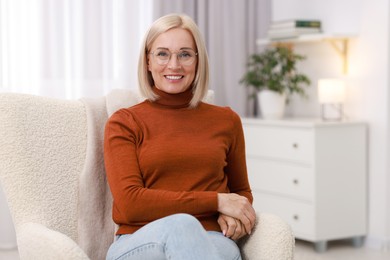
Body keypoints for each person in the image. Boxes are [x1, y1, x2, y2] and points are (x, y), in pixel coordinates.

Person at [104, 13, 256, 260]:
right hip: (140, 241)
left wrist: (233, 213)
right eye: (162, 54)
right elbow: (131, 203)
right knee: (182, 226)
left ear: (198, 61)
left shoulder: (226, 120)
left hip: (212, 239)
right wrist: (217, 202)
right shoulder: (124, 122)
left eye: (185, 54)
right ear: (147, 62)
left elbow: (240, 192)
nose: (174, 65)